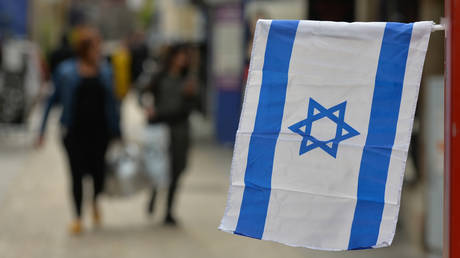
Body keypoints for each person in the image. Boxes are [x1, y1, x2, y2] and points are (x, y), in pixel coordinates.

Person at [36, 26, 121, 234]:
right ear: (85, 49)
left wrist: (118, 130)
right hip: (74, 133)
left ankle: (95, 201)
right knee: (76, 175)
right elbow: (52, 101)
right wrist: (41, 131)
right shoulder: (66, 72)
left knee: (98, 174)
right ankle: (77, 217)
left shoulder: (106, 71)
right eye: (95, 47)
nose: (99, 51)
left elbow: (113, 103)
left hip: (100, 133)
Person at [143, 44, 196, 225]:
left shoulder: (188, 79)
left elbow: (194, 106)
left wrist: (191, 95)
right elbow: (142, 93)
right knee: (159, 166)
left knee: (177, 169)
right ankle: (154, 194)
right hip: (161, 130)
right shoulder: (160, 76)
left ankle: (169, 210)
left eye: (185, 56)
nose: (182, 60)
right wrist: (148, 108)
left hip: (180, 130)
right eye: (180, 55)